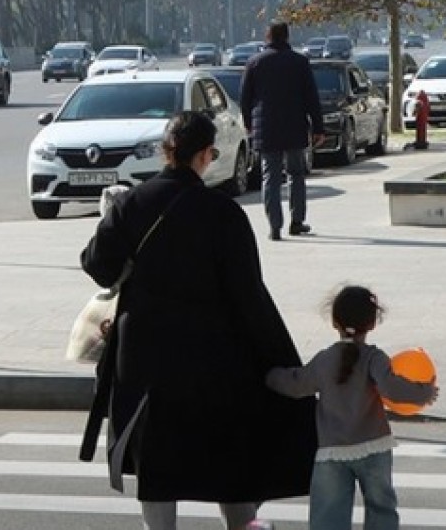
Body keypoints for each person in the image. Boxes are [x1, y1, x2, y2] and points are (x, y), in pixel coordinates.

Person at [80, 111, 316, 530]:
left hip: (145, 358)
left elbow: (98, 265)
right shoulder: (223, 212)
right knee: (228, 460)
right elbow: (248, 293)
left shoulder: (132, 203)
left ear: (165, 150)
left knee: (157, 464)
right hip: (214, 358)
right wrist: (277, 355)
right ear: (207, 154)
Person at [266, 286, 437, 530]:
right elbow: (392, 388)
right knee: (382, 511)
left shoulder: (325, 360)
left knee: (329, 516)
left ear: (335, 322)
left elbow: (297, 384)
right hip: (374, 447)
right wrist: (424, 392)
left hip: (332, 451)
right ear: (372, 324)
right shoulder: (374, 358)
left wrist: (269, 376)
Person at [241, 22, 326, 240]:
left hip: (266, 128)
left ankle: (274, 226)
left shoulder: (254, 63)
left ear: (267, 37)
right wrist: (318, 127)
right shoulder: (299, 62)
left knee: (270, 177)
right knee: (296, 174)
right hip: (294, 125)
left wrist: (249, 123)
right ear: (287, 37)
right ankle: (297, 221)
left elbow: (245, 98)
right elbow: (311, 97)